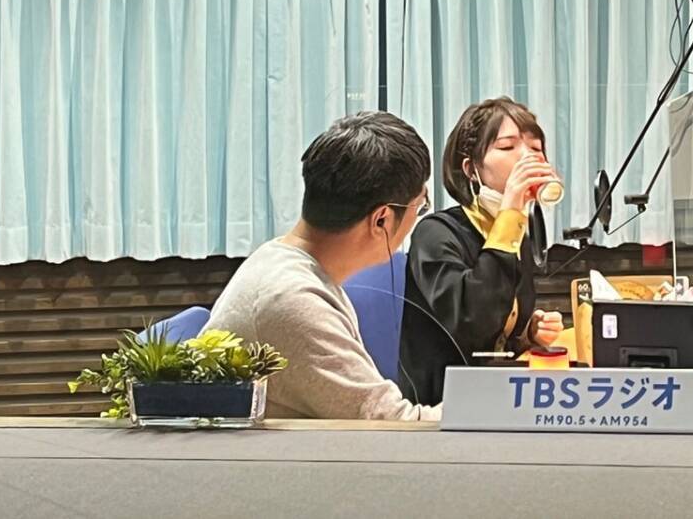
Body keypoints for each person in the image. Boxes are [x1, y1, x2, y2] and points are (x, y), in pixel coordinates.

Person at [205, 111, 439, 421]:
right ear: (381, 220)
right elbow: (390, 427)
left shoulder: (281, 261)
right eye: (420, 206)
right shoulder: (293, 300)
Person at [398, 97, 565, 405]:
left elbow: (496, 337)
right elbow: (471, 322)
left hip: (497, 397)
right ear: (471, 169)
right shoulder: (435, 232)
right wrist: (511, 210)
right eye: (507, 146)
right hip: (439, 408)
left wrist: (528, 334)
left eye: (536, 147)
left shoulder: (516, 235)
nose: (527, 157)